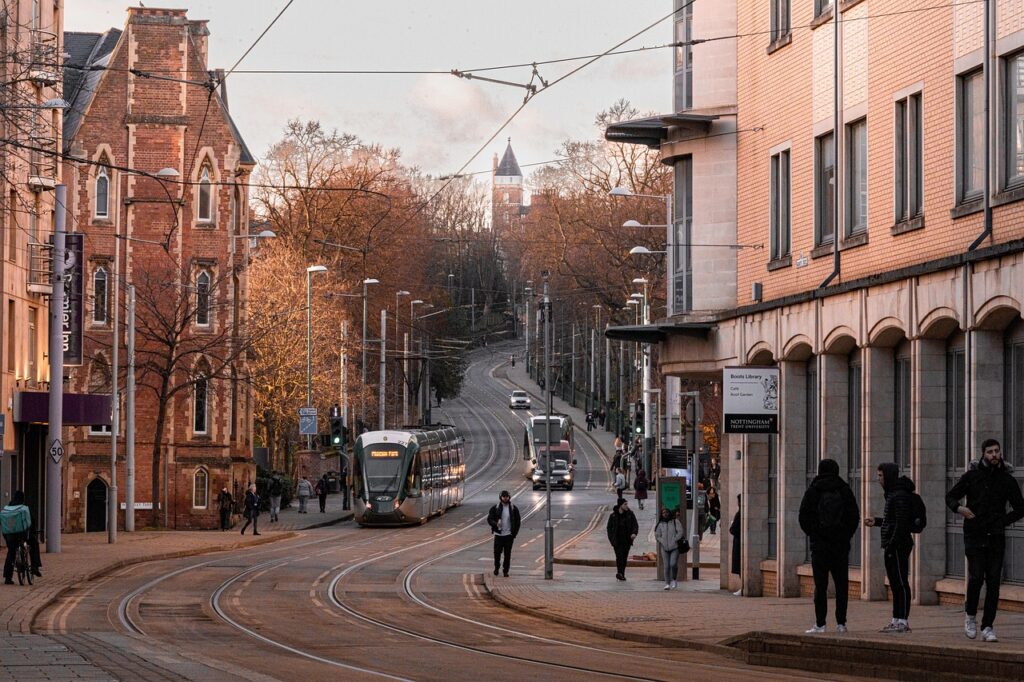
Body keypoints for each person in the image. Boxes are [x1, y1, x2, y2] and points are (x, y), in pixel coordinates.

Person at [945, 438, 1024, 643]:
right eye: (990, 452)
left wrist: (1003, 521)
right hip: (974, 534)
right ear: (983, 454)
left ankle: (988, 626)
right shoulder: (972, 476)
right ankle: (970, 616)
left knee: (994, 583)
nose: (994, 455)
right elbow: (951, 496)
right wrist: (960, 509)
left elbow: (1020, 508)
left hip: (996, 537)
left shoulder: (1007, 480)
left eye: (997, 451)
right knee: (976, 577)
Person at [799, 459, 860, 634]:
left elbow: (803, 517)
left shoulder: (813, 491)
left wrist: (815, 534)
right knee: (842, 585)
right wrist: (844, 535)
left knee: (821, 586)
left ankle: (820, 624)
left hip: (820, 547)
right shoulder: (844, 490)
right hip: (840, 546)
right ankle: (841, 623)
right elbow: (853, 516)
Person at [864, 462, 915, 633]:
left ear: (888, 475)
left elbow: (901, 523)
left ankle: (903, 621)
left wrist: (892, 544)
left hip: (898, 545)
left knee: (900, 582)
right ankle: (896, 619)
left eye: (880, 475)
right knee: (894, 583)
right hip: (893, 544)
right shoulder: (892, 494)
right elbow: (894, 521)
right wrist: (877, 522)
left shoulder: (898, 495)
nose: (878, 479)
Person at [1, 491, 40, 583]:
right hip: (23, 534)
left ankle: (7, 577)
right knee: (34, 544)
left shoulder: (7, 509)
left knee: (11, 552)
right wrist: (34, 531)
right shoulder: (24, 508)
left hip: (10, 535)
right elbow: (31, 522)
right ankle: (35, 567)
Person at [486, 490, 520, 577]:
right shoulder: (495, 508)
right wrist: (495, 524)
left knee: (507, 554)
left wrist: (514, 534)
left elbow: (518, 521)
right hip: (499, 535)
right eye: (503, 497)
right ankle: (497, 567)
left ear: (509, 497)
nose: (505, 498)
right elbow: (489, 519)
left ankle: (506, 571)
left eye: (507, 496)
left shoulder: (513, 508)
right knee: (497, 553)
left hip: (509, 535)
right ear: (500, 497)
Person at [607, 498, 639, 581]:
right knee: (619, 557)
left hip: (627, 540)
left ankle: (622, 573)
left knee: (624, 558)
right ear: (620, 505)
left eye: (627, 504)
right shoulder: (613, 515)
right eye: (625, 504)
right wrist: (611, 539)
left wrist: (634, 533)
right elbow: (609, 528)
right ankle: (619, 573)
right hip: (617, 541)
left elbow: (635, 525)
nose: (627, 506)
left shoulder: (630, 514)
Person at [655, 507, 685, 590]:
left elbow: (680, 532)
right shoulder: (660, 524)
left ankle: (674, 579)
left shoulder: (675, 521)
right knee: (666, 566)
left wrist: (675, 539)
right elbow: (657, 535)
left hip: (674, 547)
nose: (665, 514)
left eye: (666, 512)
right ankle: (667, 583)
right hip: (664, 547)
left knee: (673, 564)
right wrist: (662, 540)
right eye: (663, 513)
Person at [730, 494, 742, 595]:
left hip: (739, 543)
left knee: (740, 565)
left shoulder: (739, 514)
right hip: (740, 542)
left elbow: (733, 529)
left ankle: (743, 587)